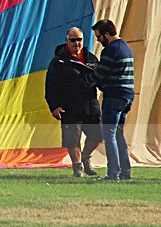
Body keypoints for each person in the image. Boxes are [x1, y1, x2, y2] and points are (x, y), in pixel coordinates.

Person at [45, 27, 102, 177]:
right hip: (69, 106)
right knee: (72, 139)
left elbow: (101, 80)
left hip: (90, 104)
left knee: (98, 136)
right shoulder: (59, 61)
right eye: (73, 40)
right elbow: (51, 86)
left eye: (79, 40)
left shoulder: (91, 58)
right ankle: (77, 167)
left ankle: (86, 157)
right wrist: (54, 106)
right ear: (67, 41)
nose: (77, 43)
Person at [86, 19, 135, 181]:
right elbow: (112, 70)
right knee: (118, 133)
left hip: (114, 96)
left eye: (99, 36)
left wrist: (87, 75)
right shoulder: (125, 47)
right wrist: (98, 69)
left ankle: (113, 173)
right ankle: (125, 172)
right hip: (127, 96)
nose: (98, 40)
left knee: (109, 134)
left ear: (107, 34)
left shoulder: (110, 50)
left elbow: (101, 75)